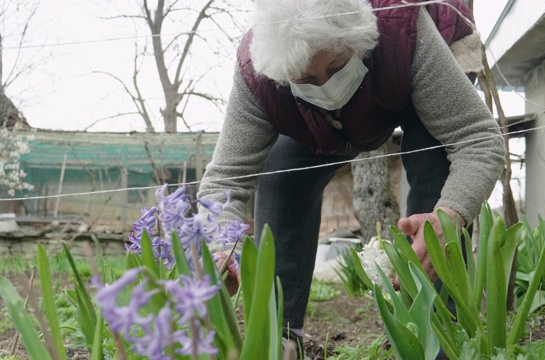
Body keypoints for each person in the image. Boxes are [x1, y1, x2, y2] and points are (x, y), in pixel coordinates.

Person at [198, 0, 505, 356]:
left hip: (407, 68)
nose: (327, 87)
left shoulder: (403, 32)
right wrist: (222, 249)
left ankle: (433, 333)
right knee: (282, 174)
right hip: (311, 121)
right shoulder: (259, 75)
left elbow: (478, 140)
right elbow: (225, 180)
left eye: (336, 65)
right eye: (307, 79)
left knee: (435, 163)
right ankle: (280, 336)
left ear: (358, 42)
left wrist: (450, 216)